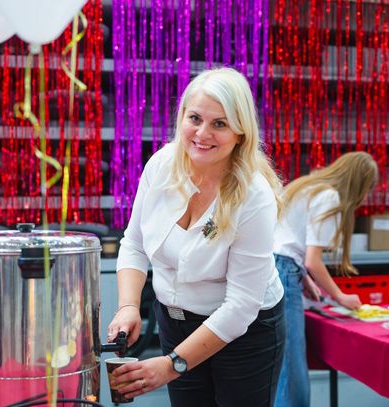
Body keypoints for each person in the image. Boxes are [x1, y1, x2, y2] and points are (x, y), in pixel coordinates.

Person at [106, 67, 286, 407]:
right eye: (195, 119)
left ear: (240, 132)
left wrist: (171, 364)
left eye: (219, 124)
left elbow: (240, 306)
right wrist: (128, 306)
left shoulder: (253, 195)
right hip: (175, 321)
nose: (203, 133)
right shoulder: (161, 165)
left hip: (246, 334)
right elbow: (134, 243)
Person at [273, 151, 378, 407]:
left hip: (276, 269)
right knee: (291, 368)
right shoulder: (330, 197)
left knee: (283, 365)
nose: (365, 197)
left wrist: (303, 278)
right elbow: (313, 260)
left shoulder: (308, 186)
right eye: (367, 189)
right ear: (359, 184)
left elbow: (284, 242)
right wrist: (339, 296)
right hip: (283, 272)